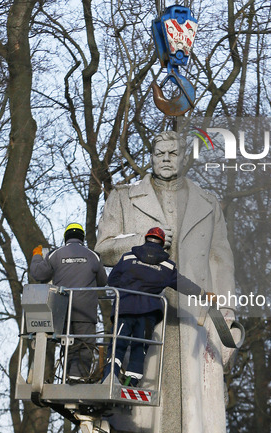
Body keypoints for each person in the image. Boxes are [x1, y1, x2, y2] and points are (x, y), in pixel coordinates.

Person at [96, 131, 237, 433]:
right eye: (159, 153)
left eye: (172, 154)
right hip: (142, 311)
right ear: (151, 156)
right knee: (136, 393)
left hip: (193, 322)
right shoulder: (123, 197)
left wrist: (228, 317)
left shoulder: (208, 204)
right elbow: (103, 249)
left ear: (184, 157)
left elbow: (221, 261)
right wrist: (140, 238)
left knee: (195, 411)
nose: (165, 159)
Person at [101, 227, 206, 388]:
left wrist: (128, 288)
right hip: (148, 313)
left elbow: (112, 280)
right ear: (162, 243)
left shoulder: (128, 257)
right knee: (139, 349)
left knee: (117, 345)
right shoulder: (167, 266)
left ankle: (109, 378)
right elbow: (184, 285)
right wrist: (203, 294)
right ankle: (131, 383)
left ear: (146, 239)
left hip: (125, 308)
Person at [30, 223, 108, 382]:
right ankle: (76, 379)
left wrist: (37, 256)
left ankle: (71, 378)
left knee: (69, 345)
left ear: (66, 238)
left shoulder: (55, 255)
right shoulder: (93, 255)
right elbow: (103, 281)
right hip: (85, 311)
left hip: (63, 311)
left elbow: (39, 273)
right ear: (82, 238)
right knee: (85, 347)